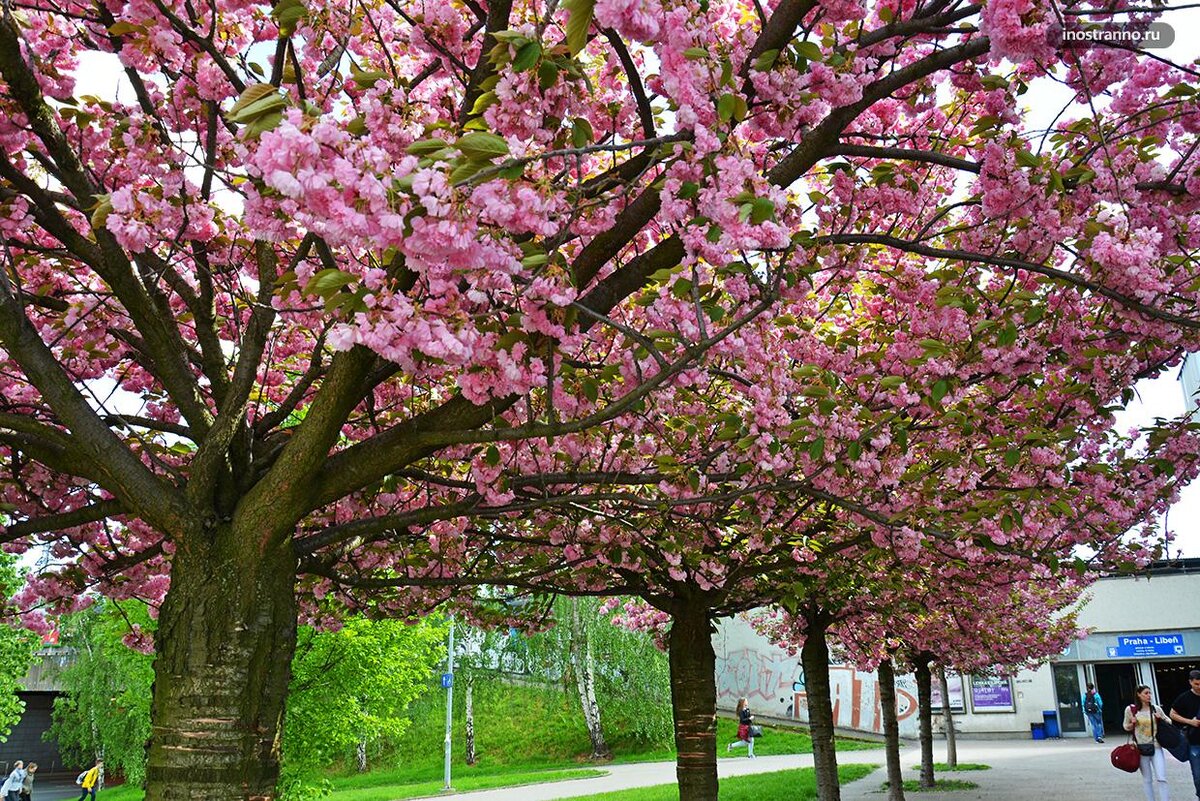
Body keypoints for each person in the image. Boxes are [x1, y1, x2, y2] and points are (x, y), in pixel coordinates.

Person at [1125, 685, 1172, 801]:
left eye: (1150, 693)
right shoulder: (1131, 710)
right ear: (1139, 694)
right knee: (1147, 779)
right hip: (1140, 747)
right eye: (1146, 693)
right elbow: (1126, 726)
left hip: (1156, 746)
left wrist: (1160, 718)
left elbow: (1169, 721)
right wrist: (1132, 723)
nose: (1149, 696)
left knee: (1161, 777)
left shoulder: (1156, 709)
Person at [1169, 669, 1200, 801]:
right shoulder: (1184, 698)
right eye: (1197, 684)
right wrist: (1190, 722)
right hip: (1194, 742)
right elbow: (1172, 714)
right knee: (1198, 776)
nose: (1199, 687)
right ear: (1190, 682)